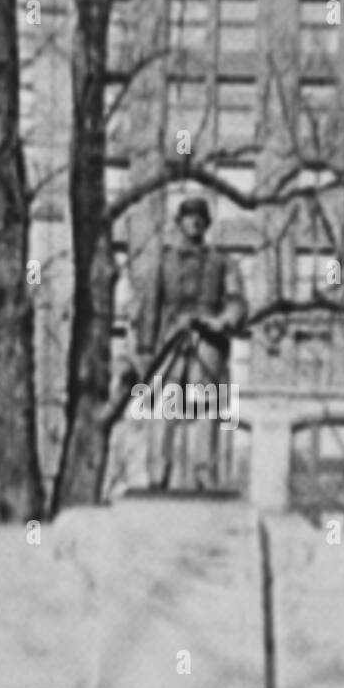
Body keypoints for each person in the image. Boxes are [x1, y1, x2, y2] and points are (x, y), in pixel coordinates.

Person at [134, 196, 247, 490]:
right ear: (180, 221)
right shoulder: (163, 260)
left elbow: (237, 303)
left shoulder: (223, 262)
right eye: (189, 216)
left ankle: (205, 473)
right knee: (166, 407)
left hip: (208, 342)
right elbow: (149, 307)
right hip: (171, 343)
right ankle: (158, 473)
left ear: (207, 223)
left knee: (206, 406)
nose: (195, 221)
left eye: (201, 217)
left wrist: (222, 321)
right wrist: (145, 351)